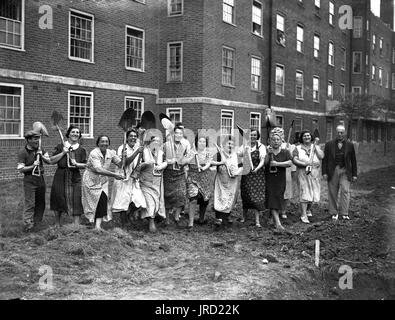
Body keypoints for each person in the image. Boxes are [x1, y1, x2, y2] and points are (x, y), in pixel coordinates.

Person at [82, 135, 137, 230]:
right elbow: (98, 169)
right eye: (102, 141)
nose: (104, 143)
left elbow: (121, 164)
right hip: (91, 180)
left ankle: (98, 226)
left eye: (106, 141)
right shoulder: (94, 153)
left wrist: (124, 157)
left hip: (102, 181)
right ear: (98, 143)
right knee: (92, 203)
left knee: (102, 200)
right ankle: (91, 222)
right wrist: (114, 175)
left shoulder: (110, 153)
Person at [50, 125, 87, 227]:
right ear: (68, 134)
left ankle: (76, 225)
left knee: (76, 199)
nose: (75, 134)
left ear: (79, 135)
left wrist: (77, 164)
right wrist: (63, 152)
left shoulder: (81, 150)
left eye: (77, 132)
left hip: (75, 176)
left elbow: (86, 165)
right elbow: (52, 160)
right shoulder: (60, 146)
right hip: (61, 175)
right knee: (58, 197)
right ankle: (57, 224)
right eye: (73, 132)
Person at [110, 129, 145, 229]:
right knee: (123, 202)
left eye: (135, 136)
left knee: (139, 201)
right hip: (123, 177)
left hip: (133, 178)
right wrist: (136, 152)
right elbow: (125, 163)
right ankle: (123, 225)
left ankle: (130, 214)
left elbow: (138, 162)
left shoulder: (138, 147)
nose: (133, 138)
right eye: (131, 136)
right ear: (127, 138)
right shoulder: (123, 147)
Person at [17, 130, 51, 232]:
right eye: (35, 139)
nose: (37, 141)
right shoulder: (23, 152)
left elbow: (49, 161)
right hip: (29, 179)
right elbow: (20, 169)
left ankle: (37, 223)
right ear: (28, 140)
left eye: (38, 138)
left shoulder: (41, 149)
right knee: (30, 203)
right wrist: (33, 166)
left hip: (40, 178)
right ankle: (28, 225)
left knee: (41, 202)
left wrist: (42, 156)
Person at [322, 124, 357, 220]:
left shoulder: (350, 144)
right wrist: (324, 172)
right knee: (332, 191)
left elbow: (353, 160)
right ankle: (334, 212)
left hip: (345, 170)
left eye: (342, 132)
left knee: (345, 190)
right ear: (335, 133)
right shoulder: (329, 144)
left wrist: (354, 174)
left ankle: (344, 213)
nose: (340, 134)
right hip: (333, 170)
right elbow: (325, 160)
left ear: (344, 133)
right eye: (338, 132)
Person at [292, 130, 324, 224]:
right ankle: (303, 214)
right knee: (304, 192)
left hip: (314, 173)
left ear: (311, 137)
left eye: (308, 136)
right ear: (301, 138)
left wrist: (316, 146)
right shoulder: (297, 148)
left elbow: (321, 156)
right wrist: (304, 163)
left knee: (314, 193)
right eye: (304, 136)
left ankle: (308, 209)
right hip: (303, 173)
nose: (307, 137)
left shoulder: (316, 147)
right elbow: (294, 160)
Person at [163, 125, 193, 226]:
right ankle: (167, 218)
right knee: (167, 195)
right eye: (177, 133)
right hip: (168, 172)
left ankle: (176, 216)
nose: (178, 135)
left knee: (182, 194)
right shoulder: (166, 145)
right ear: (173, 134)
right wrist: (170, 161)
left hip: (180, 173)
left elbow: (188, 158)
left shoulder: (184, 146)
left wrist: (184, 161)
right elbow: (161, 158)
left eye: (180, 133)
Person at [213, 135, 243, 229]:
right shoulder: (219, 154)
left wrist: (236, 172)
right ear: (225, 144)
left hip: (232, 181)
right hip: (221, 180)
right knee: (220, 197)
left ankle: (225, 218)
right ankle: (218, 218)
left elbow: (242, 166)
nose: (230, 146)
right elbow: (212, 164)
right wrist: (221, 163)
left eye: (232, 144)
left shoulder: (236, 155)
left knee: (229, 199)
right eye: (229, 143)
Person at [265, 130, 293, 231]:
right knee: (272, 198)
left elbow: (290, 163)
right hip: (270, 179)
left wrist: (277, 164)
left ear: (281, 141)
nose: (276, 141)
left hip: (281, 179)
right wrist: (268, 154)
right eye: (274, 140)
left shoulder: (285, 152)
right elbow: (265, 163)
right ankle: (278, 223)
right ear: (270, 141)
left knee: (278, 198)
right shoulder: (268, 151)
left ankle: (272, 218)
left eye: (278, 140)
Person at [138, 135, 167, 232]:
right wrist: (146, 163)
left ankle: (151, 217)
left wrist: (163, 165)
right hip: (146, 181)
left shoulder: (161, 153)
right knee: (149, 201)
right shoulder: (144, 152)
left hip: (157, 182)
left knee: (156, 201)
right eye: (154, 141)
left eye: (158, 142)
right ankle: (151, 222)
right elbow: (139, 165)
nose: (156, 143)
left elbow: (166, 162)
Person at [239, 129, 267, 227]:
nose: (253, 137)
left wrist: (256, 168)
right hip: (247, 174)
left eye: (255, 135)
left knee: (257, 196)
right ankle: (243, 217)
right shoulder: (244, 146)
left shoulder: (261, 147)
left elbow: (262, 160)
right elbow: (238, 155)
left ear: (257, 136)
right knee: (246, 194)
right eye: (251, 135)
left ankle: (257, 221)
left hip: (257, 174)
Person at [186, 135, 213, 229]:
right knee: (193, 199)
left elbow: (209, 163)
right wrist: (192, 156)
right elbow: (185, 161)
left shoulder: (208, 153)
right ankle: (190, 222)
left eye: (204, 142)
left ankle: (201, 219)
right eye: (200, 141)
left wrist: (203, 167)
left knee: (204, 200)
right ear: (197, 142)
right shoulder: (191, 151)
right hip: (192, 178)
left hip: (204, 178)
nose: (202, 143)